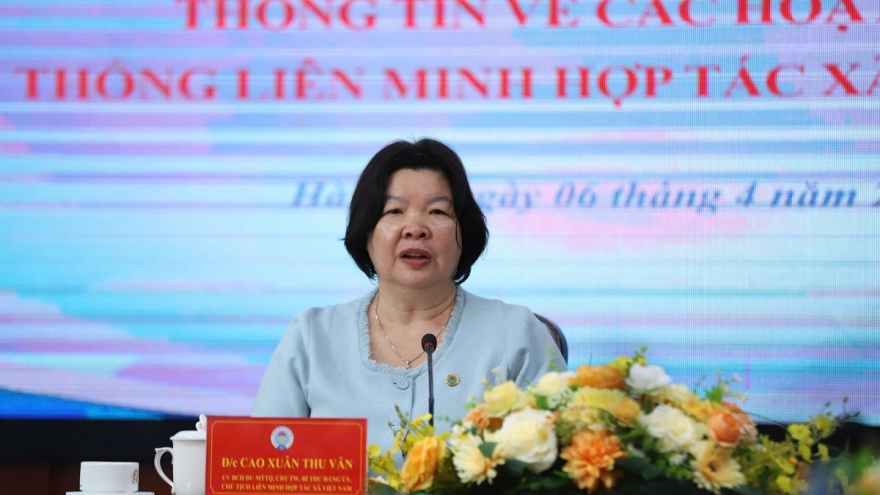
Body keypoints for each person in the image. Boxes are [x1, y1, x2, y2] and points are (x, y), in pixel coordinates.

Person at [252, 138, 567, 452]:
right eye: (394, 211)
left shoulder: (515, 331)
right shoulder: (312, 336)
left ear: (464, 232)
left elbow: (567, 455)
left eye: (437, 211)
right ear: (365, 232)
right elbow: (262, 459)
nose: (415, 228)